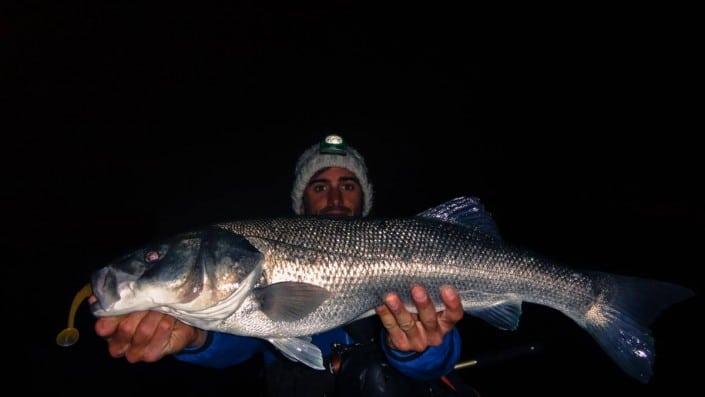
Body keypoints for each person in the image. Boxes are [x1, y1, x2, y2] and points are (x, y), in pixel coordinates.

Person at [94, 135, 498, 396]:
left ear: (364, 198)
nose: (336, 198)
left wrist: (420, 352)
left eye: (348, 185)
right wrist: (197, 338)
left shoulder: (408, 248)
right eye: (321, 187)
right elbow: (240, 344)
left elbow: (441, 356)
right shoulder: (251, 272)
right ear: (302, 203)